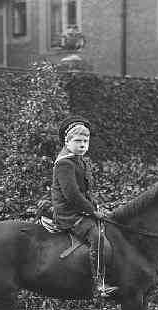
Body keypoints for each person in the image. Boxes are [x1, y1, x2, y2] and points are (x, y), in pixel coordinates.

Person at [51, 116, 118, 298]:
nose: (82, 145)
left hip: (81, 210)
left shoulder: (80, 161)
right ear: (67, 141)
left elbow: (86, 191)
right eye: (78, 141)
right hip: (69, 214)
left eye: (86, 141)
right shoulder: (64, 163)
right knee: (97, 237)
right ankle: (99, 283)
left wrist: (97, 206)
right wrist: (92, 211)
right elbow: (72, 195)